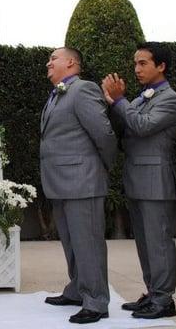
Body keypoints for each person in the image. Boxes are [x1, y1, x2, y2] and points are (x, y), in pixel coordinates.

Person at [102, 42, 176, 319]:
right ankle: (152, 292)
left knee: (158, 242)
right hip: (136, 178)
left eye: (143, 63)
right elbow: (125, 127)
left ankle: (164, 299)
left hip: (155, 181)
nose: (137, 69)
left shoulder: (171, 98)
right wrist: (113, 104)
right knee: (145, 243)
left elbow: (142, 126)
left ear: (161, 66)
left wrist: (120, 100)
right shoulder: (140, 98)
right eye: (135, 63)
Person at [40, 47, 117, 324]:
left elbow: (104, 135)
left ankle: (96, 301)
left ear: (71, 63)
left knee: (88, 243)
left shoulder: (83, 89)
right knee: (72, 243)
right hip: (60, 182)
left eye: (54, 58)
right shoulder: (58, 93)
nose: (48, 62)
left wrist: (102, 168)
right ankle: (77, 289)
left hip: (83, 181)